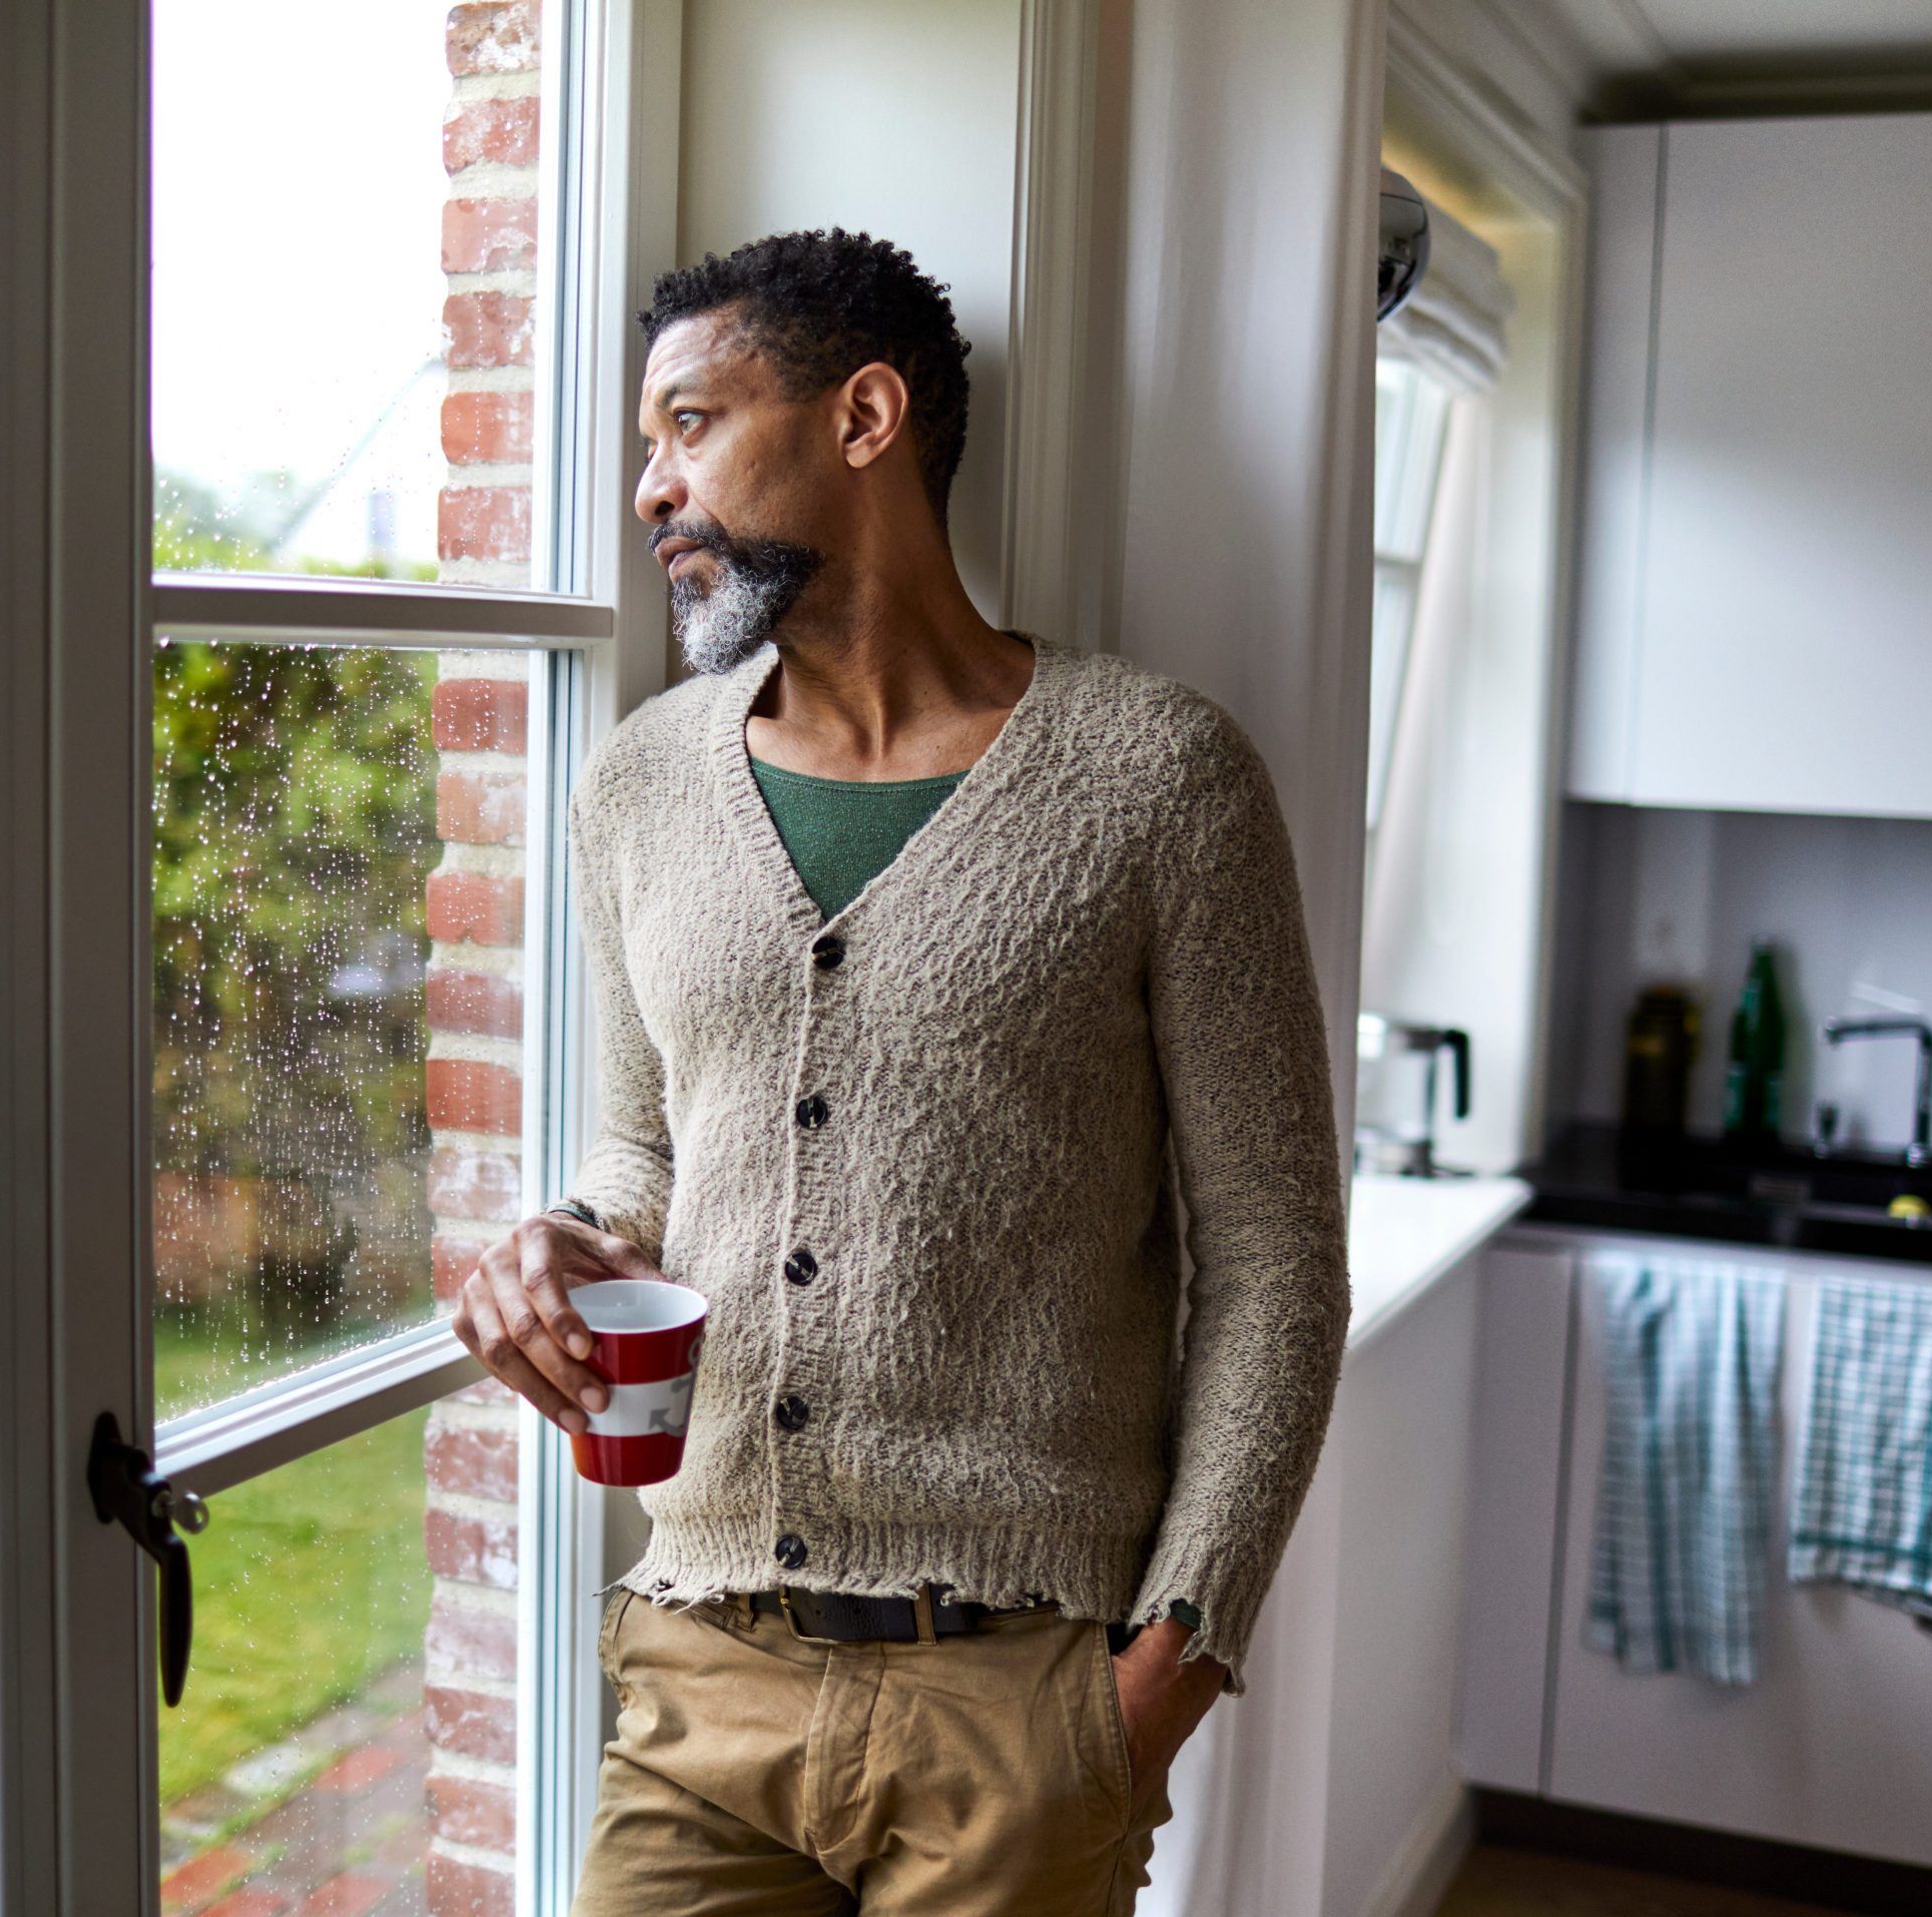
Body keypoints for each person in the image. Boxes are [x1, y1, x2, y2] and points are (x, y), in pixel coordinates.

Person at [450, 227, 1351, 1916]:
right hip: (697, 1670)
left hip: (1019, 1706)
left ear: (864, 418)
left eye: (691, 425)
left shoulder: (1159, 776)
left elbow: (1279, 1262)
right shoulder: (639, 785)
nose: (653, 489)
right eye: (650, 446)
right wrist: (561, 1238)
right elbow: (649, 1157)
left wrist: (1161, 1682)